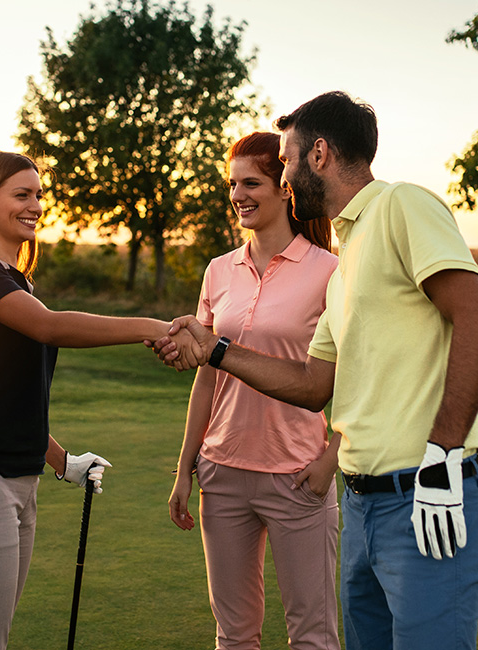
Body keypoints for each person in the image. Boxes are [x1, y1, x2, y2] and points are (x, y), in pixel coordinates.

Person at [156, 91, 478, 650]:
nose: (284, 177)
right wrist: (215, 349)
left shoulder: (400, 205)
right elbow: (312, 386)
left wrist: (443, 455)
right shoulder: (346, 264)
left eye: (287, 161)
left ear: (318, 155)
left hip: (423, 491)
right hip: (363, 507)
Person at [0, 150, 201, 649]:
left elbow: (9, 401)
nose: (34, 205)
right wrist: (156, 327)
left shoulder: (16, 280)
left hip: (15, 483)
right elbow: (50, 325)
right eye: (21, 194)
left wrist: (63, 462)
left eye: (38, 195)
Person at [169, 132, 340, 650]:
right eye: (232, 183)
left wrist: (329, 461)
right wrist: (185, 469)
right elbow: (207, 374)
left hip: (298, 475)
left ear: (285, 188)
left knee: (312, 636)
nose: (238, 194)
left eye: (252, 182)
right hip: (222, 474)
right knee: (234, 635)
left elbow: (354, 378)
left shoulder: (330, 272)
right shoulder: (219, 271)